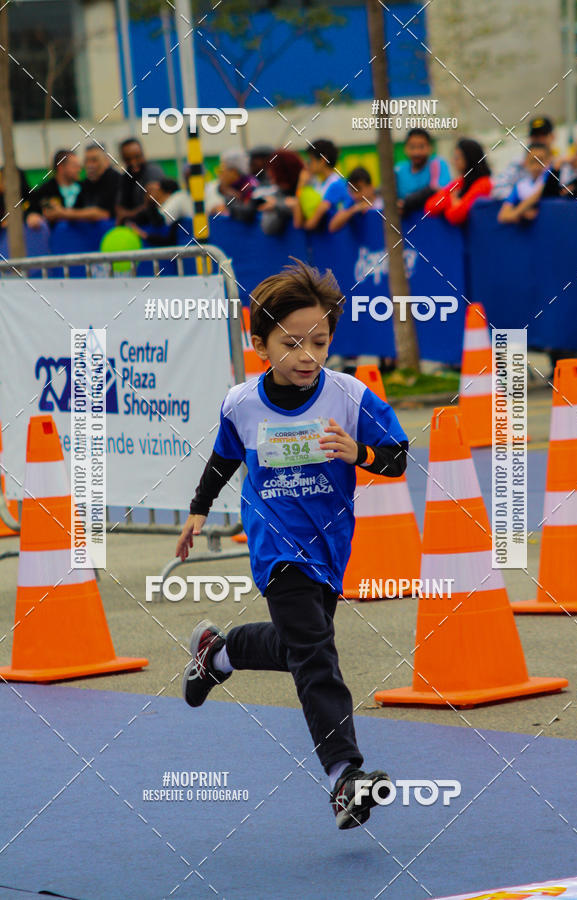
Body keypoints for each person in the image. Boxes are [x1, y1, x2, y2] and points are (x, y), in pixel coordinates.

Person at [176, 259, 409, 830]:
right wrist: (197, 511)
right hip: (276, 549)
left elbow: (399, 457)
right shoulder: (242, 404)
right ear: (260, 345)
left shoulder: (349, 396)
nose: (308, 355)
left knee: (301, 649)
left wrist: (361, 455)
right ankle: (344, 777)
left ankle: (219, 653)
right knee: (317, 656)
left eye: (321, 341)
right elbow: (226, 456)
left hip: (330, 548)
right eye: (293, 343)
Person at [424, 138, 492, 225]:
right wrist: (452, 201)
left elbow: (455, 216)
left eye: (457, 158)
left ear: (469, 159)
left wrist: (451, 203)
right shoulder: (461, 182)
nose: (453, 162)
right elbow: (429, 207)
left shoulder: (484, 183)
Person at [492, 116, 561, 200]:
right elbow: (498, 189)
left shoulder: (560, 163)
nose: (539, 140)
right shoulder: (519, 162)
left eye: (543, 135)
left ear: (552, 136)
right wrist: (523, 199)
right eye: (535, 136)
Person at [294, 139, 350, 230]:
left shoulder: (337, 185)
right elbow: (298, 222)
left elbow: (310, 224)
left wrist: (300, 185)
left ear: (323, 159)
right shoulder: (316, 185)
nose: (308, 165)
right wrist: (300, 186)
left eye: (311, 160)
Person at [394, 128, 451, 217]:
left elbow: (439, 190)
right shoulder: (399, 169)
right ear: (405, 148)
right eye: (412, 147)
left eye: (421, 147)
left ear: (430, 148)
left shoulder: (437, 164)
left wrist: (407, 203)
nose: (416, 152)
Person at [497, 143, 556, 224]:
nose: (537, 166)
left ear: (549, 161)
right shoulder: (521, 186)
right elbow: (502, 216)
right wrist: (522, 214)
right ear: (525, 163)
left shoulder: (551, 177)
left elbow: (538, 193)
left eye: (541, 161)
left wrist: (517, 212)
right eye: (532, 161)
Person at [127, 177, 193, 244]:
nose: (152, 194)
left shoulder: (177, 202)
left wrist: (144, 235)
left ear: (167, 194)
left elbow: (168, 239)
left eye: (157, 191)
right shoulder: (153, 211)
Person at [25, 149, 82, 228]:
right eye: (74, 166)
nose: (79, 169)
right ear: (61, 167)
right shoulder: (45, 190)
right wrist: (32, 216)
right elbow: (31, 210)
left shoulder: (84, 188)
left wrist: (62, 213)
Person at [115, 138, 164, 224]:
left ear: (143, 154)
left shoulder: (154, 172)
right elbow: (119, 205)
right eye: (128, 159)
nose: (133, 162)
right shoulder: (124, 177)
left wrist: (128, 214)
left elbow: (153, 205)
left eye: (137, 157)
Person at [257, 149, 305, 235]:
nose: (272, 181)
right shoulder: (278, 193)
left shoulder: (307, 187)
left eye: (273, 175)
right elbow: (268, 227)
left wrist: (277, 205)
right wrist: (284, 205)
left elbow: (305, 212)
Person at [206, 148, 258, 222]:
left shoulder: (252, 187)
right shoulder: (220, 188)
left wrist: (228, 198)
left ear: (234, 172)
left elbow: (246, 214)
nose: (218, 173)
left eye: (222, 169)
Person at [328, 166, 382, 232]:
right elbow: (332, 226)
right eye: (352, 191)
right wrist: (354, 210)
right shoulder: (353, 203)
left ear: (371, 187)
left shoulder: (383, 203)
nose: (355, 196)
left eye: (358, 189)